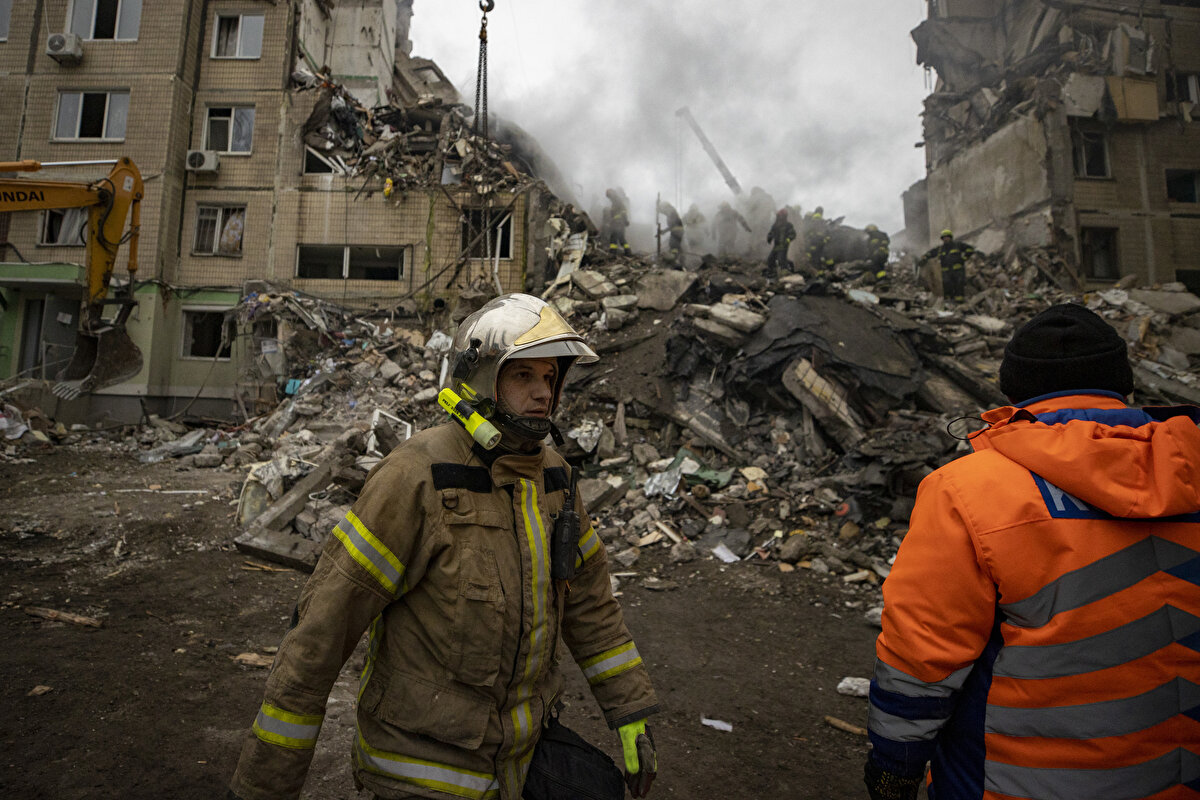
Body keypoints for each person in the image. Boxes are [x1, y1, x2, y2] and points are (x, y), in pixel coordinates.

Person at [229, 294, 660, 800]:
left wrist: (629, 711)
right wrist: (263, 785)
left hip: (518, 754)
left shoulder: (555, 480)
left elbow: (589, 604)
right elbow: (322, 631)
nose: (543, 393)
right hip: (421, 761)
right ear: (480, 378)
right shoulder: (417, 475)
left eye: (550, 378)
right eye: (523, 376)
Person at [864, 303, 1200, 800]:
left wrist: (895, 767)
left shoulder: (968, 489)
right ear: (1124, 385)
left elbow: (923, 657)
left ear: (1013, 392)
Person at [922, 229, 975, 303]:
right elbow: (931, 253)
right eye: (944, 238)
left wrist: (964, 258)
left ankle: (959, 303)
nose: (945, 239)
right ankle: (948, 303)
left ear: (950, 237)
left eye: (947, 237)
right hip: (946, 272)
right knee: (947, 287)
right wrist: (924, 257)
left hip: (958, 271)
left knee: (958, 286)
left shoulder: (958, 245)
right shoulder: (940, 249)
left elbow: (970, 249)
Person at [765, 208, 796, 278]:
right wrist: (769, 237)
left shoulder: (788, 225)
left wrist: (788, 239)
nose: (779, 218)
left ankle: (785, 274)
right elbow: (771, 233)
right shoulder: (775, 225)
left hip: (784, 245)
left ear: (784, 217)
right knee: (770, 259)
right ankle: (772, 272)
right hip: (776, 245)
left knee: (781, 259)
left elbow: (793, 234)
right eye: (779, 216)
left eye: (781, 216)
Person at [603, 189, 631, 256]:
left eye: (609, 196)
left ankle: (612, 253)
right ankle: (628, 252)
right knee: (621, 239)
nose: (609, 198)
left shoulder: (617, 201)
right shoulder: (615, 202)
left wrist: (625, 220)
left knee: (613, 238)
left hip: (618, 223)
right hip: (618, 223)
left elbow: (623, 211)